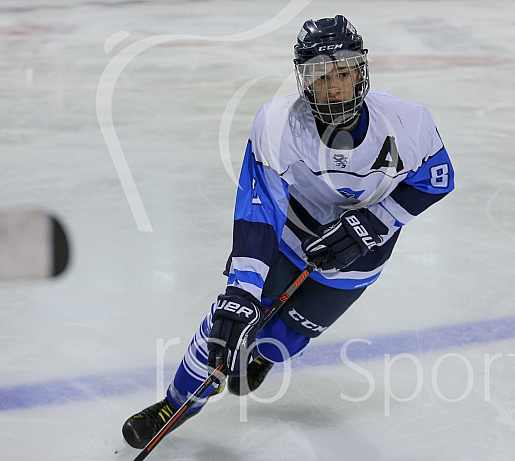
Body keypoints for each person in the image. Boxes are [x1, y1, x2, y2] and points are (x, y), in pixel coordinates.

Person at [121, 14, 454, 449]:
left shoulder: (409, 123)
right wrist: (240, 292)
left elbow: (438, 179)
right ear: (303, 80)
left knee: (287, 338)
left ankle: (262, 355)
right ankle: (175, 403)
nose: (334, 86)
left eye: (344, 72)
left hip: (361, 258)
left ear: (361, 72)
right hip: (290, 240)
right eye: (320, 75)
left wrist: (376, 221)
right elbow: (259, 211)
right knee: (225, 327)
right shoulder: (278, 125)